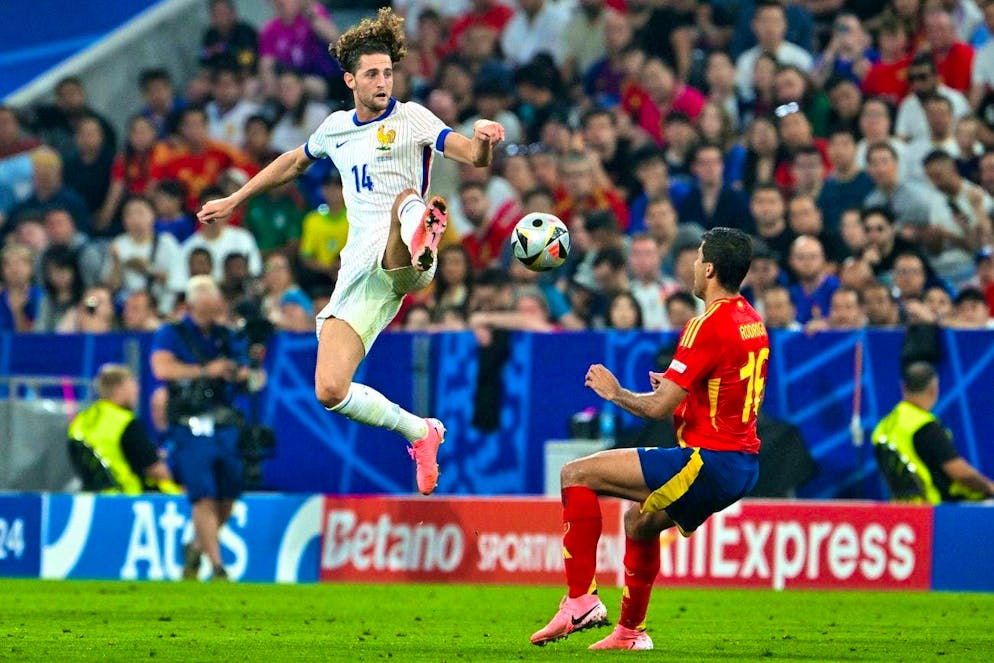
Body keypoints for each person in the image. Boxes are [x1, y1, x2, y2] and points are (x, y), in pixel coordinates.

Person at [197, 8, 505, 496]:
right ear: (351, 79)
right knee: (330, 390)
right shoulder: (336, 127)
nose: (383, 81)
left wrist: (485, 142)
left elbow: (470, 155)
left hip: (405, 254)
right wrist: (235, 200)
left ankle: (423, 236)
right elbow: (292, 162)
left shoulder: (413, 118)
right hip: (359, 273)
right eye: (372, 74)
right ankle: (421, 431)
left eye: (387, 72)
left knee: (405, 201)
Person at [531, 228, 769, 650]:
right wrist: (683, 389)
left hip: (710, 462)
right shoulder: (750, 319)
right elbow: (723, 392)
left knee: (576, 474)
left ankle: (580, 600)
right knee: (638, 522)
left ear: (710, 268)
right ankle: (629, 633)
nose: (693, 267)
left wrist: (616, 392)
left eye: (698, 259)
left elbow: (658, 408)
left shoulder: (705, 324)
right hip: (740, 463)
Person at [150, 276, 264, 581]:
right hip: (189, 424)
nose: (211, 317)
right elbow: (161, 368)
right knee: (202, 495)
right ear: (190, 306)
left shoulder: (226, 336)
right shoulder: (171, 333)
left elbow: (251, 376)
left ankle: (196, 547)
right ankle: (217, 566)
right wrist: (205, 371)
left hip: (225, 424)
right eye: (205, 311)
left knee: (228, 494)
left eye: (215, 310)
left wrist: (244, 372)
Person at [872, 361, 994, 503]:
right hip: (937, 508)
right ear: (934, 389)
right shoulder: (924, 425)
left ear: (903, 387)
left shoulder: (881, 427)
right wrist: (990, 487)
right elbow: (959, 473)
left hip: (901, 507)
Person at [67, 364, 180, 495]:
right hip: (127, 498)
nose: (137, 391)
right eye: (132, 385)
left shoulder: (80, 420)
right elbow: (157, 471)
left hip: (91, 497)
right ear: (118, 388)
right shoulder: (124, 422)